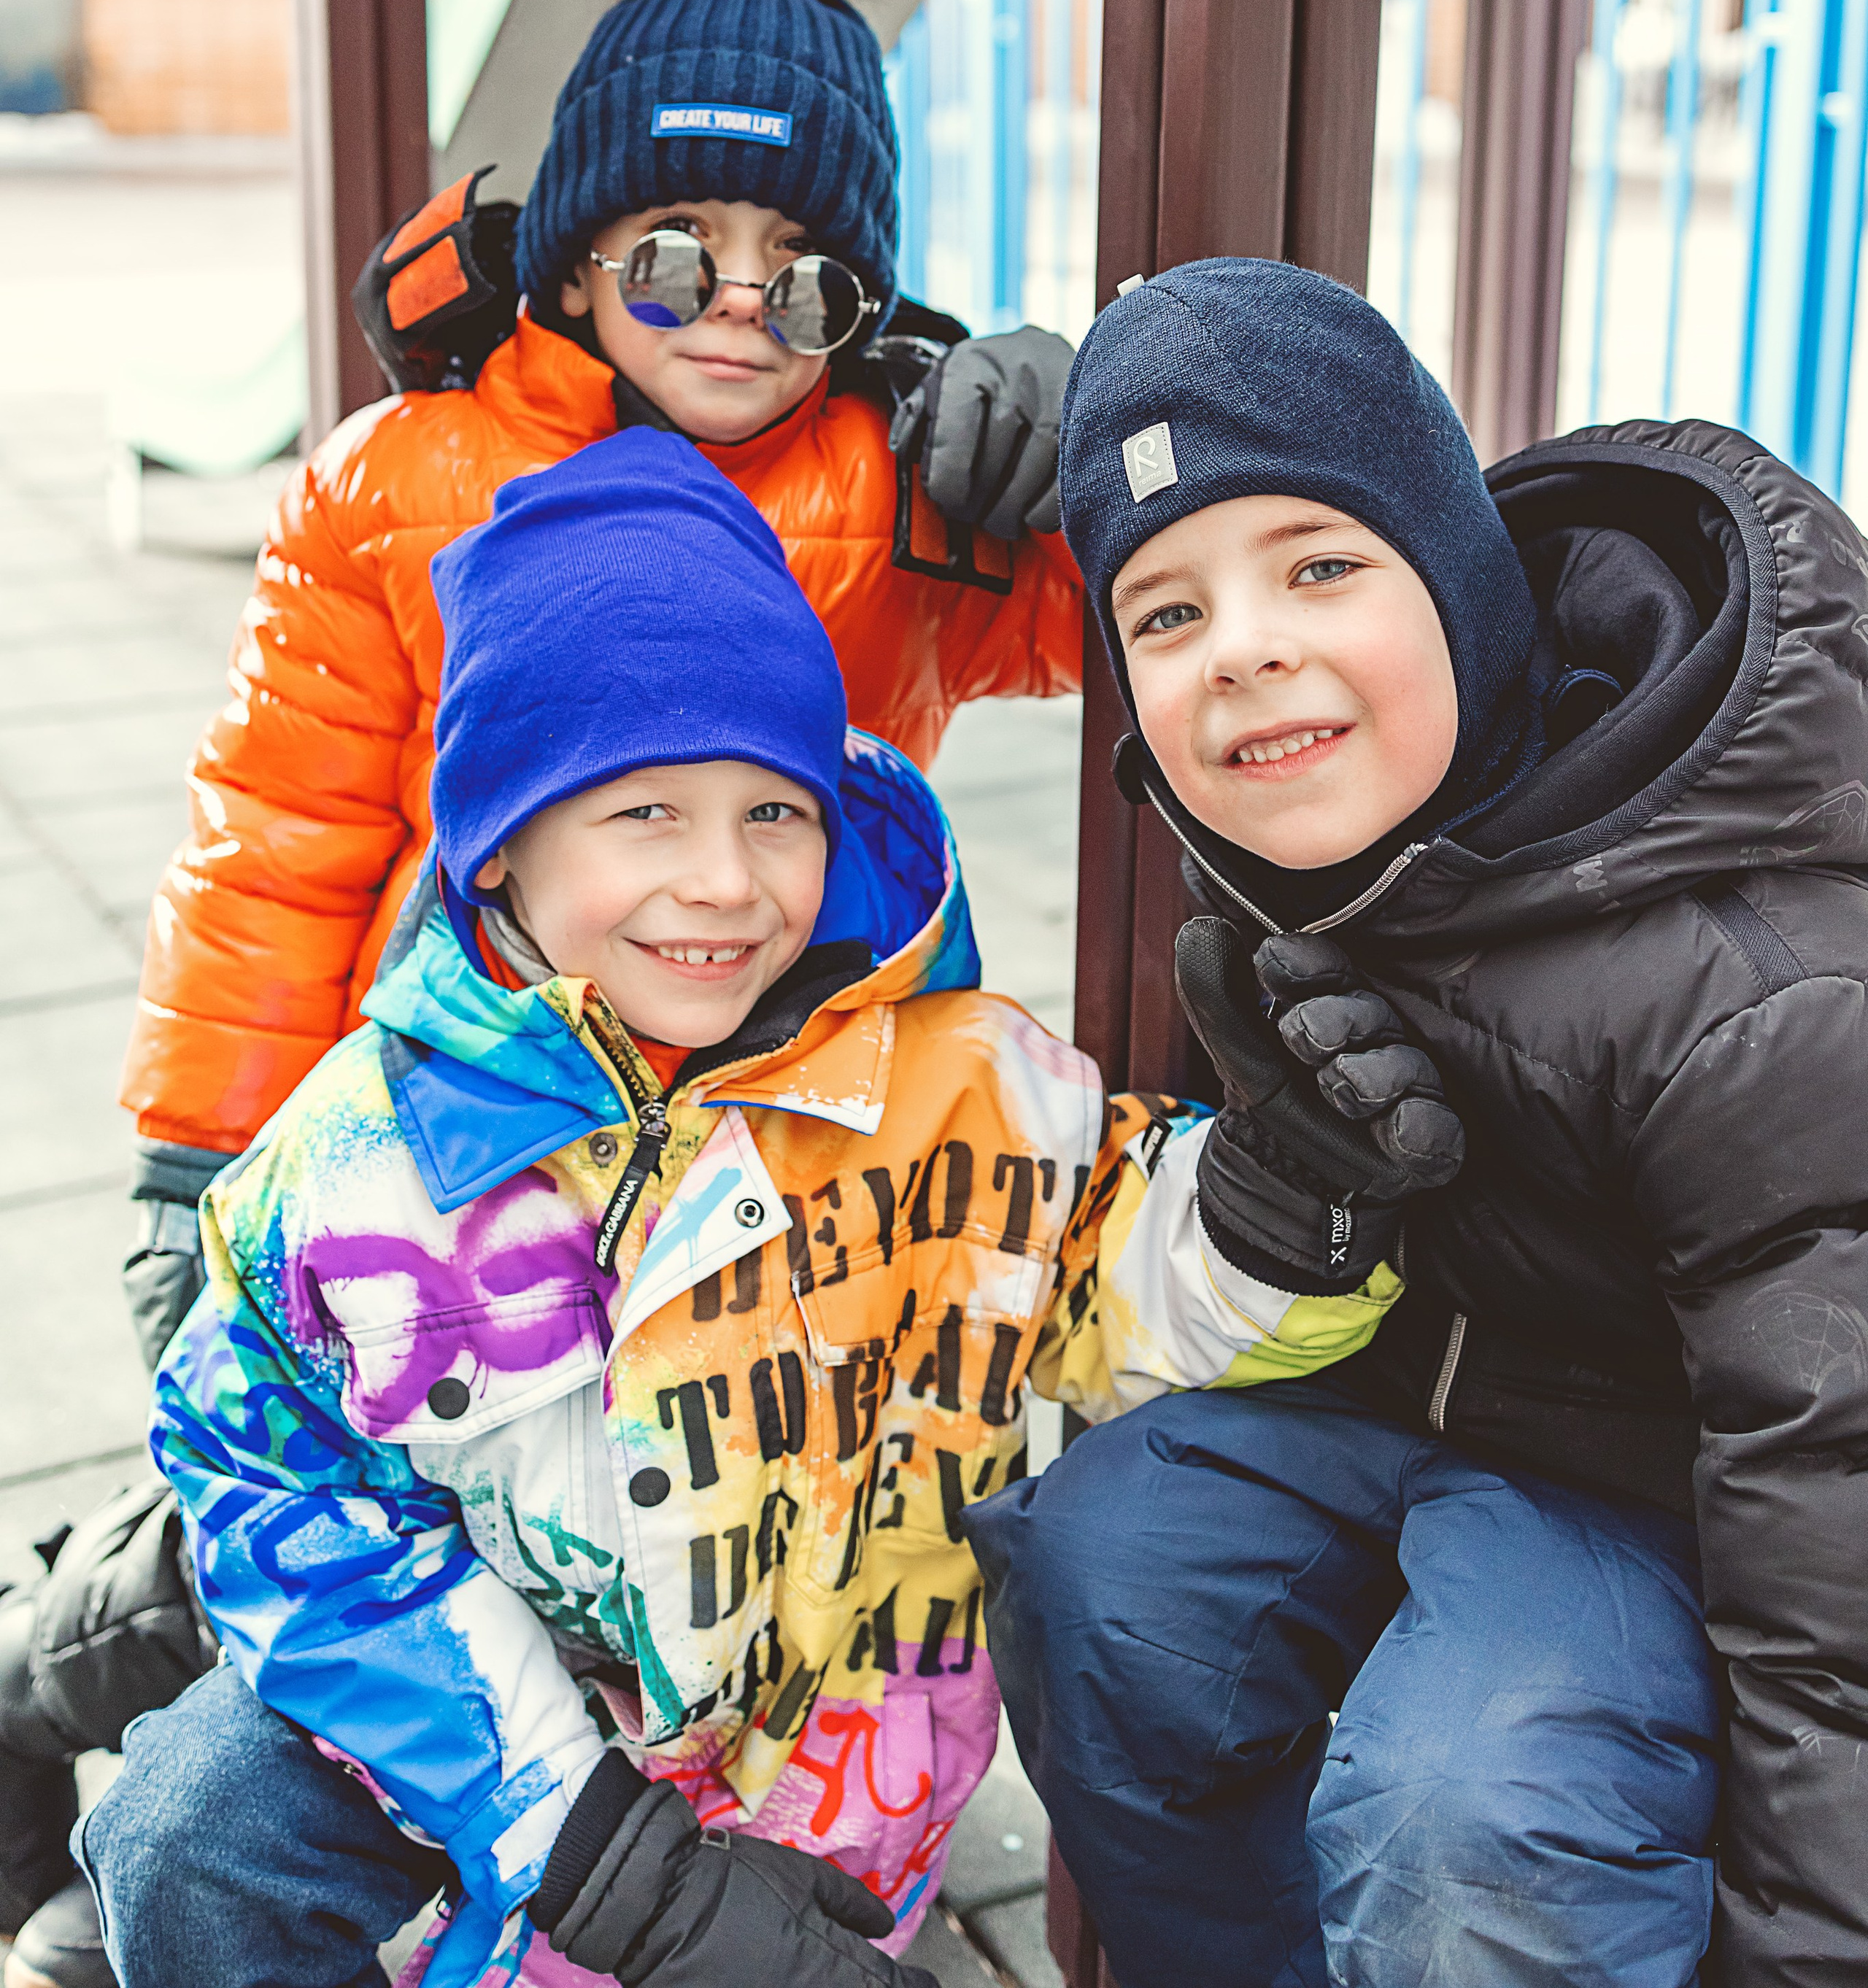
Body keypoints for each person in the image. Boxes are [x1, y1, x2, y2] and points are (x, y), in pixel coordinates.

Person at [0, 0, 1084, 1988]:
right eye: (675, 253)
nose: (741, 307)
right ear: (577, 258)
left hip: (718, 1155)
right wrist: (200, 1154)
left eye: (807, 270)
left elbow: (1143, 617)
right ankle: (54, 1749)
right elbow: (283, 832)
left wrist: (1080, 423)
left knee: (546, 1554)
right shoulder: (404, 478)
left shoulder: (897, 491)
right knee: (261, 1543)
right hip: (431, 1131)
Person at [80, 430, 1436, 1988]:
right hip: (502, 1770)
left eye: (774, 812)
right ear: (500, 847)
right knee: (186, 1832)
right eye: (644, 814)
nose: (725, 881)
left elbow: (1133, 1284)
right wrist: (588, 1848)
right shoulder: (352, 1171)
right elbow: (279, 1503)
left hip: (815, 1793)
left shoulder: (954, 1087)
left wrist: (1289, 1205)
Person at [968, 256, 1868, 1988]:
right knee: (1101, 1568)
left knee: (1461, 1807)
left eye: (1317, 564)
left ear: (1461, 588)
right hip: (1427, 1402)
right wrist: (1285, 1200)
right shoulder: (1318, 834)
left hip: (1679, 1493)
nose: (1245, 647)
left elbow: (1838, 1541)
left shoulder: (1747, 988)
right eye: (1165, 613)